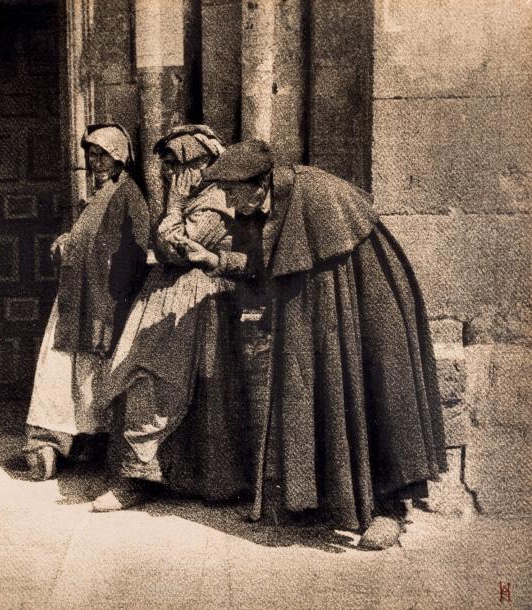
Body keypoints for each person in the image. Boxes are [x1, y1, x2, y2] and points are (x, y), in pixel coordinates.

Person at [182, 140, 447, 550]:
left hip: (363, 309)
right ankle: (325, 503)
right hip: (314, 312)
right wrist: (215, 261)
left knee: (368, 397)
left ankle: (387, 509)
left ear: (260, 183)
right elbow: (266, 263)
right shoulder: (262, 206)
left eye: (233, 192)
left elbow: (331, 261)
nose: (230, 203)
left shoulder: (317, 193)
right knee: (315, 395)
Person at [92, 125, 263, 512]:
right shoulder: (195, 197)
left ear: (199, 165)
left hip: (199, 302)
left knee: (158, 378)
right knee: (142, 374)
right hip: (172, 297)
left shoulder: (215, 201)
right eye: (165, 165)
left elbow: (174, 249)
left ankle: (172, 480)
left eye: (174, 164)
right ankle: (142, 476)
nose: (167, 173)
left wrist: (173, 205)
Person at [23, 123, 150, 480]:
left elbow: (139, 248)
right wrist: (69, 243)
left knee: (92, 370)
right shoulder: (99, 196)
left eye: (104, 155)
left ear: (120, 158)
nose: (96, 162)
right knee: (61, 367)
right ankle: (54, 439)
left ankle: (86, 441)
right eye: (92, 155)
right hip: (76, 297)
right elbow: (90, 238)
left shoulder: (129, 195)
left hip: (104, 300)